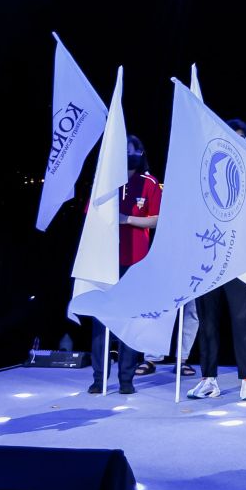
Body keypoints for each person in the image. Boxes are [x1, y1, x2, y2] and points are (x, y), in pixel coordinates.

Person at [189, 118, 246, 402]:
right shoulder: (208, 169)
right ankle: (208, 379)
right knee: (207, 321)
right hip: (208, 257)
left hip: (239, 259)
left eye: (242, 138)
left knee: (241, 320)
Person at [89, 135, 160, 394]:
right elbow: (92, 215)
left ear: (140, 153)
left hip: (136, 262)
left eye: (133, 150)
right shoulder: (106, 182)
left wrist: (126, 219)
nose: (129, 154)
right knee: (102, 320)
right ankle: (99, 378)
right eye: (124, 150)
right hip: (105, 261)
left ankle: (126, 379)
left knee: (130, 320)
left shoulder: (149, 183)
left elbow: (156, 219)